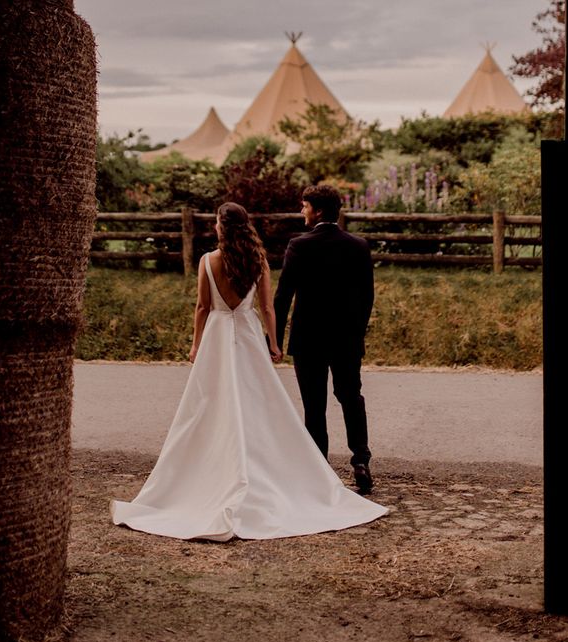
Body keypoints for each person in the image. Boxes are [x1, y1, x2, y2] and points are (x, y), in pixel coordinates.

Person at [111, 202, 387, 541]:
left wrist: (195, 344)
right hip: (247, 333)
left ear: (220, 227)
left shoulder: (207, 262)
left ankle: (212, 469)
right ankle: (303, 468)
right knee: (259, 403)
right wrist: (273, 343)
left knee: (210, 405)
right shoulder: (258, 262)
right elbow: (268, 307)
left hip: (215, 336)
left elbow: (203, 306)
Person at [274, 185, 375, 494]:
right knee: (351, 397)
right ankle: (360, 461)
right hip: (346, 338)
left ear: (317, 211)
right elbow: (367, 297)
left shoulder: (299, 246)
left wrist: (273, 340)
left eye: (305, 206)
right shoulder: (358, 246)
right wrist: (357, 333)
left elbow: (282, 298)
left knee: (314, 406)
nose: (302, 211)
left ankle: (319, 470)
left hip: (309, 338)